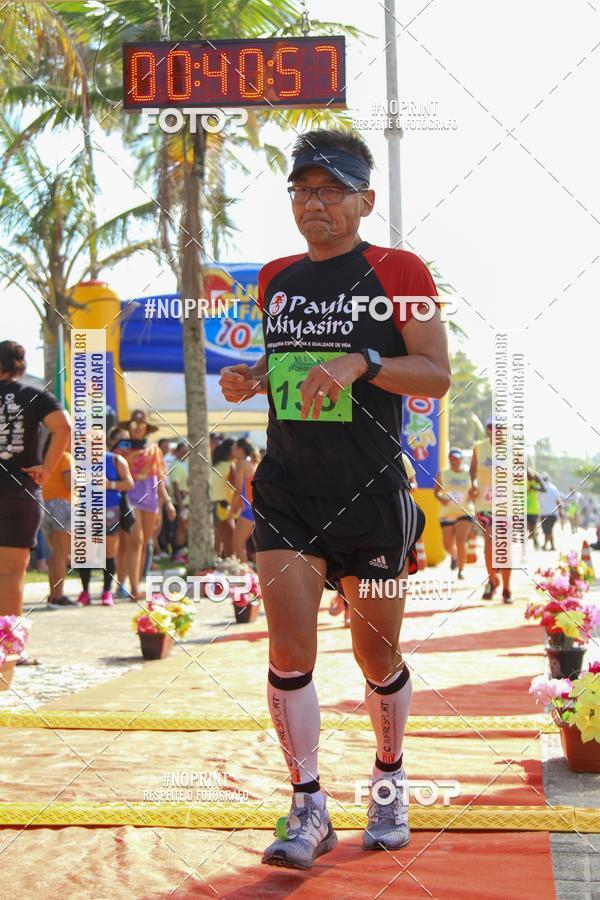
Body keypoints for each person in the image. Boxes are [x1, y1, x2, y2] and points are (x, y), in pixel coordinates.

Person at [219, 128, 450, 868]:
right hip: (288, 489)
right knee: (289, 649)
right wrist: (252, 378)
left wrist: (365, 361)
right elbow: (286, 361)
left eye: (330, 191)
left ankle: (388, 779)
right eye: (301, 190)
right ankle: (308, 804)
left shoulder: (400, 269)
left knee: (376, 655)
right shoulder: (275, 277)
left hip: (372, 491)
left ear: (365, 200)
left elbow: (436, 374)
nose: (313, 204)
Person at [0, 341, 71, 654]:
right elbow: (63, 426)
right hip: (18, 491)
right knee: (12, 573)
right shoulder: (33, 394)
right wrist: (46, 468)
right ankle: (9, 650)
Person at [114, 410, 175, 600]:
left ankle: (128, 585)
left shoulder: (154, 450)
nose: (137, 428)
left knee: (140, 544)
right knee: (135, 541)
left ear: (147, 428)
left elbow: (159, 478)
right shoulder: (120, 450)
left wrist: (168, 502)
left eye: (141, 425)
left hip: (150, 500)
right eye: (134, 424)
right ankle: (133, 589)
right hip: (128, 498)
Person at [77, 436, 134, 606]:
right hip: (86, 509)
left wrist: (109, 485)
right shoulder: (80, 461)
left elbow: (129, 483)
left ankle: (107, 591)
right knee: (87, 553)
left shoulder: (116, 460)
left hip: (110, 510)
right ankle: (85, 592)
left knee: (109, 552)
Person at [470, 416, 513, 603]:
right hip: (484, 504)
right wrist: (473, 484)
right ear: (487, 429)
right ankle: (492, 580)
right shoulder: (479, 448)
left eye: (499, 427)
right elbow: (472, 471)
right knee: (489, 546)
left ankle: (506, 588)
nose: (495, 431)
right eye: (491, 427)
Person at [41, 437, 77, 607]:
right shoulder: (65, 457)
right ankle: (58, 596)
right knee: (61, 554)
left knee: (55, 553)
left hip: (44, 505)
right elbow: (70, 484)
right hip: (62, 505)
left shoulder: (45, 458)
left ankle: (53, 595)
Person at [434, 448, 475, 580]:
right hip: (448, 512)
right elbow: (436, 492)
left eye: (457, 458)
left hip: (465, 511)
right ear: (449, 459)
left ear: (461, 459)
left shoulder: (469, 474)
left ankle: (461, 570)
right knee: (447, 544)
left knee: (461, 540)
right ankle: (454, 555)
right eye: (452, 458)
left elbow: (475, 490)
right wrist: (441, 498)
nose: (454, 461)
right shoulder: (443, 474)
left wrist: (473, 494)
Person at [230, 438, 259, 562]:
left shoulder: (242, 463)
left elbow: (238, 490)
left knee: (238, 544)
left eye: (234, 447)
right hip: (252, 509)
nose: (232, 450)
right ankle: (248, 571)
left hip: (248, 510)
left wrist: (232, 511)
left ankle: (245, 572)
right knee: (246, 546)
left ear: (240, 449)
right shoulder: (251, 463)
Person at [210, 438, 236, 558]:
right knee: (230, 540)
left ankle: (217, 562)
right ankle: (232, 563)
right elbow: (235, 487)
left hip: (214, 505)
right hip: (223, 506)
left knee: (219, 540)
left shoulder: (213, 466)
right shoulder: (230, 465)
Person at [170, 442, 190, 563]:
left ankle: (183, 552)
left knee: (184, 527)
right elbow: (175, 486)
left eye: (186, 452)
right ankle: (177, 553)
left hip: (188, 501)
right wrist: (181, 506)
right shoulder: (175, 465)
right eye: (182, 451)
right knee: (180, 527)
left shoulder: (186, 464)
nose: (185, 454)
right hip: (180, 502)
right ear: (177, 452)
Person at [538, 473, 561, 551]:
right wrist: (560, 511)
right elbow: (558, 501)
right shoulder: (554, 488)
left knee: (546, 530)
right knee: (548, 530)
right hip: (553, 513)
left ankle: (548, 545)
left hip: (544, 513)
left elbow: (537, 500)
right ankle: (549, 546)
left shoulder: (539, 488)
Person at [526, 467, 546, 549]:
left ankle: (535, 541)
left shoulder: (536, 479)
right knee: (528, 527)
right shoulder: (521, 479)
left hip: (534, 508)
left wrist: (534, 488)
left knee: (533, 527)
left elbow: (544, 489)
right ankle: (534, 540)